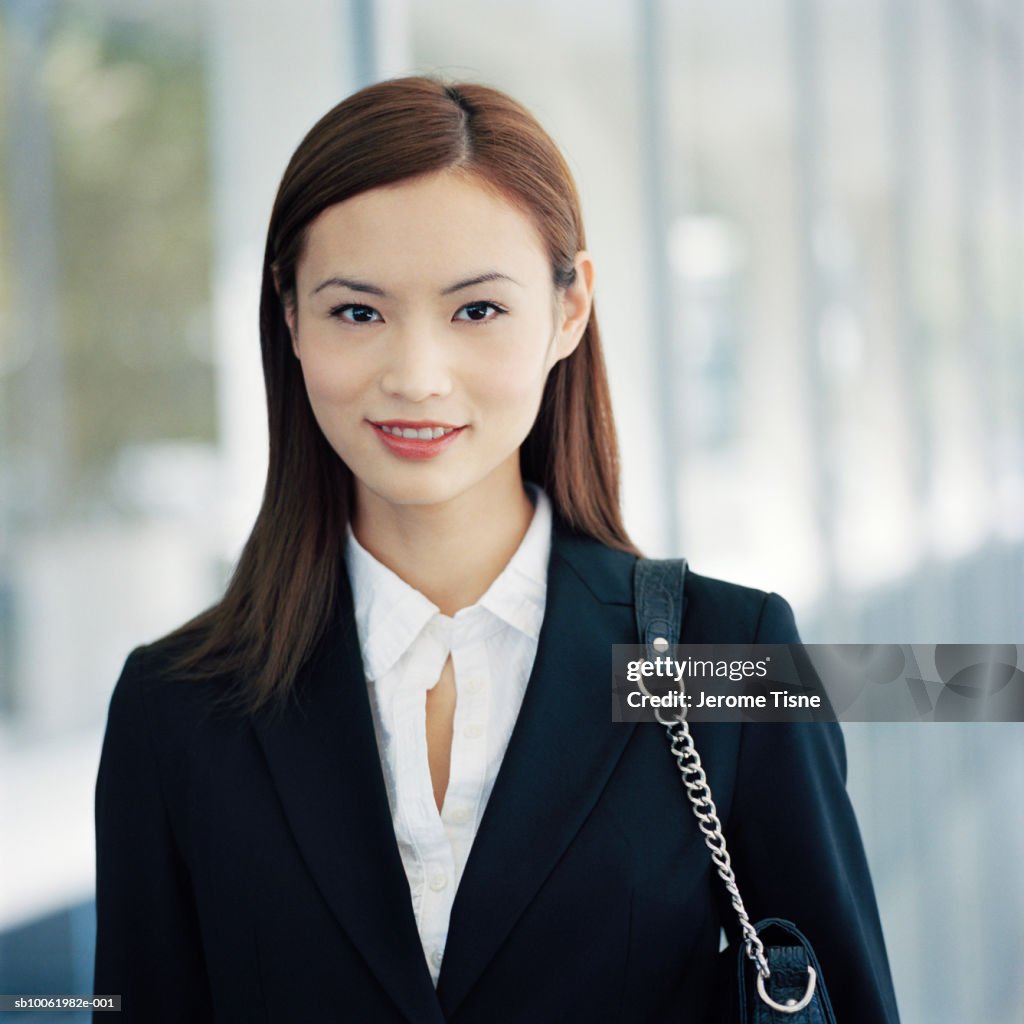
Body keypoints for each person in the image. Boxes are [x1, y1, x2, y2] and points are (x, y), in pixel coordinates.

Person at [93, 76, 900, 1023]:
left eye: (476, 311)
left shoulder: (728, 654)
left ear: (569, 310)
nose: (416, 376)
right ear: (289, 316)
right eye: (358, 311)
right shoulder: (178, 707)